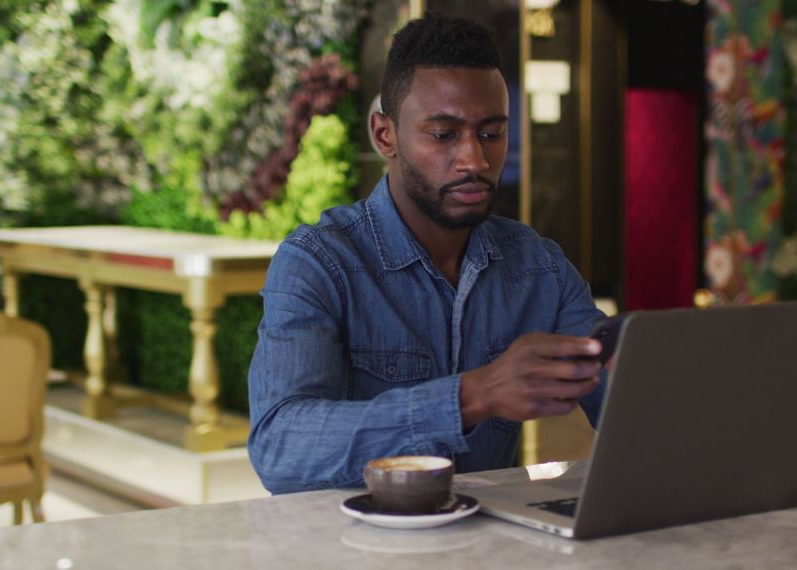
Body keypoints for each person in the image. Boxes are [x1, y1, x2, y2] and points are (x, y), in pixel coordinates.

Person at [247, 14, 607, 494]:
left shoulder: (538, 267)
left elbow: (631, 410)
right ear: (384, 136)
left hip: (491, 547)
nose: (474, 160)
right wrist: (473, 395)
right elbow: (281, 448)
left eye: (491, 133)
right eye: (443, 135)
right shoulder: (319, 262)